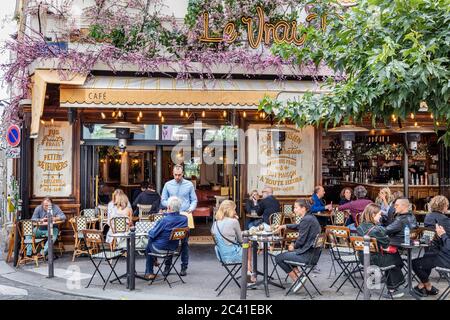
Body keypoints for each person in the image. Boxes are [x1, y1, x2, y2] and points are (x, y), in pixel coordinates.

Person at [356, 203, 405, 298]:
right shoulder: (377, 230)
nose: (380, 217)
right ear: (373, 215)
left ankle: (382, 282)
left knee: (392, 257)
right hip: (374, 259)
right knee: (395, 258)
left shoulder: (360, 227)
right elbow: (386, 245)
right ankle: (392, 288)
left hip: (363, 258)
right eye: (379, 214)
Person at [274, 199, 321, 293]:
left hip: (308, 256)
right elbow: (298, 226)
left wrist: (293, 246)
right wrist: (284, 226)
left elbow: (301, 240)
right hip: (313, 254)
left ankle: (297, 279)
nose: (294, 210)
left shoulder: (306, 219)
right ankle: (299, 276)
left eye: (295, 207)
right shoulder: (310, 217)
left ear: (303, 208)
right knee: (287, 255)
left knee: (279, 258)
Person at [160, 164, 197, 276]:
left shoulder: (189, 184)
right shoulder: (167, 185)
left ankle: (184, 267)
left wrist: (191, 208)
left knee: (184, 243)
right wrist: (171, 204)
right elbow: (163, 200)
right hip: (171, 216)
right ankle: (167, 266)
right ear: (173, 174)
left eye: (179, 175)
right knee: (169, 240)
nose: (177, 177)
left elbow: (194, 200)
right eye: (175, 175)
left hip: (185, 215)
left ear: (183, 174)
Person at [144, 196, 188, 280]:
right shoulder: (184, 219)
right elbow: (174, 216)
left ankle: (149, 272)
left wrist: (148, 231)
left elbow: (153, 234)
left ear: (169, 208)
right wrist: (165, 214)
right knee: (150, 243)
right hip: (173, 248)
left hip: (160, 248)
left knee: (149, 243)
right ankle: (153, 264)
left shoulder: (164, 220)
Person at [211, 200, 255, 282]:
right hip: (232, 255)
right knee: (248, 245)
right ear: (230, 210)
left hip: (222, 255)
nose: (235, 211)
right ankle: (249, 272)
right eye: (234, 209)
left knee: (246, 246)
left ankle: (248, 273)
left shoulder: (215, 223)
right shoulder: (234, 222)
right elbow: (241, 240)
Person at [412, 223, 450, 298]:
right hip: (443, 256)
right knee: (427, 256)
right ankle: (424, 286)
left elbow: (448, 246)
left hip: (446, 259)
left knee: (414, 263)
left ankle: (426, 285)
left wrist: (443, 234)